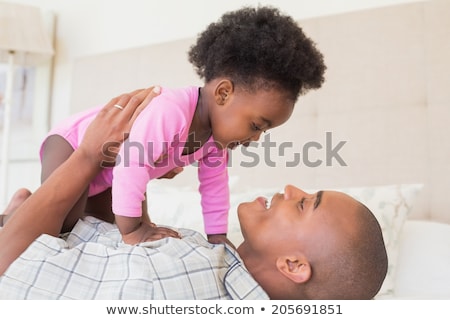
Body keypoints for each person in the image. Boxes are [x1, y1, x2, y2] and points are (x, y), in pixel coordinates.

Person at [0, 87, 387, 299]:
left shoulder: (174, 283)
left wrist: (87, 156)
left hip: (23, 238)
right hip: (74, 200)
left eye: (305, 203)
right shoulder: (213, 263)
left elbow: (8, 267)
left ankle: (19, 210)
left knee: (79, 212)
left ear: (293, 265)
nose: (289, 187)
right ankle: (20, 208)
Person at [0, 6, 326, 247]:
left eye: (262, 133)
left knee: (94, 227)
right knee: (64, 225)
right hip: (74, 144)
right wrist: (135, 229)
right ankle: (17, 210)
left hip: (111, 170)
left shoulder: (215, 142)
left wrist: (217, 236)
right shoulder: (171, 110)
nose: (255, 139)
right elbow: (133, 166)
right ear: (224, 93)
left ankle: (21, 208)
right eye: (256, 125)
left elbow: (214, 188)